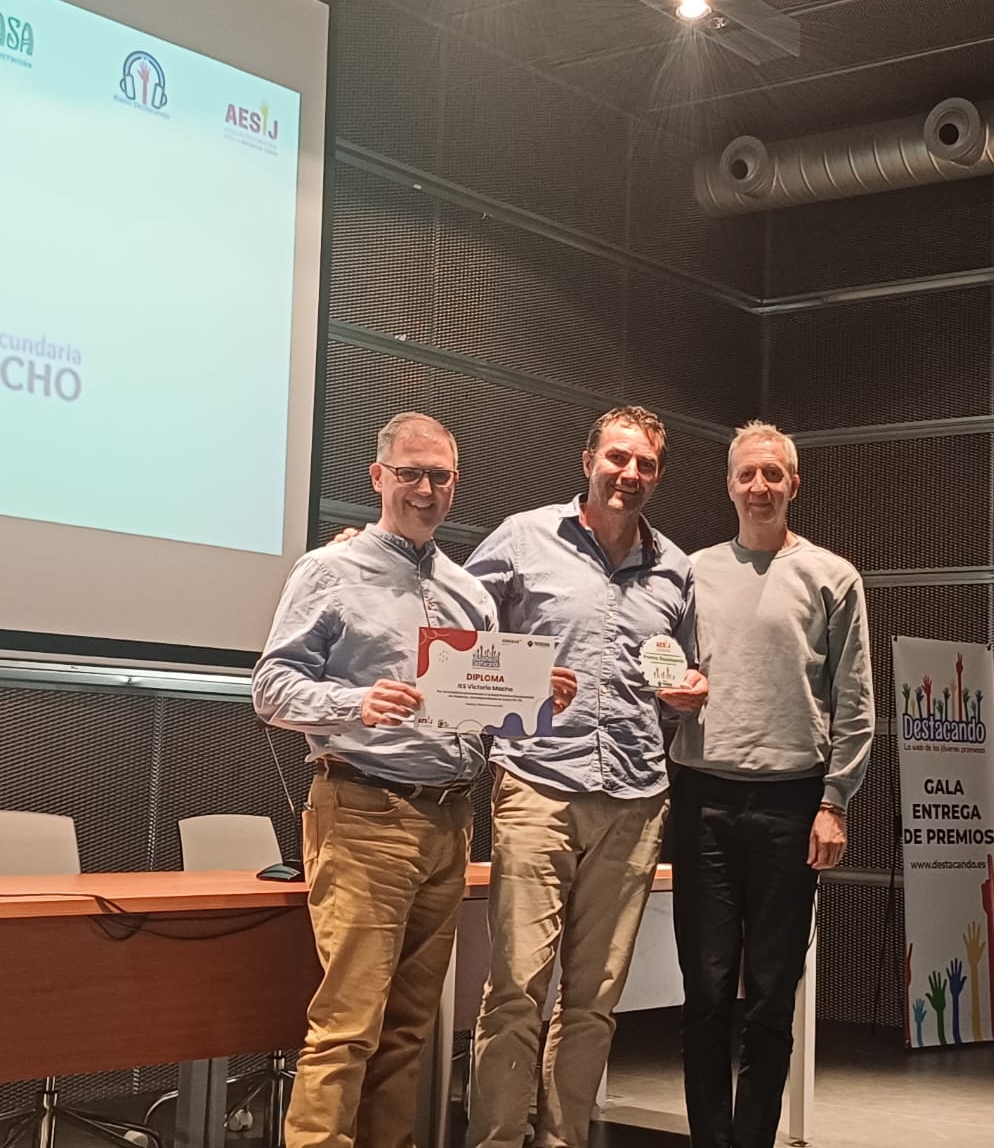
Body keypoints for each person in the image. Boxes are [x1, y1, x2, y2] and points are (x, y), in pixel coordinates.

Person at [254, 411, 575, 1148]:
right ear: (378, 477)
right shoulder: (329, 571)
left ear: (455, 484)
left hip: (449, 822)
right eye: (410, 474)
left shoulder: (469, 592)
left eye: (440, 476)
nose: (425, 489)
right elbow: (270, 688)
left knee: (408, 1032)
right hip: (364, 810)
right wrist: (354, 702)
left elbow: (476, 711)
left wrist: (533, 699)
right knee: (348, 1027)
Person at [464, 405, 707, 1148]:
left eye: (645, 465)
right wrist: (521, 679)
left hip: (636, 798)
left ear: (658, 475)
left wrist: (691, 689)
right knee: (516, 989)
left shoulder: (676, 568)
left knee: (596, 1000)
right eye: (617, 458)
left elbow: (686, 670)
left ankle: (562, 1139)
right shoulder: (523, 537)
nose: (629, 474)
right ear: (588, 460)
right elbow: (454, 639)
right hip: (536, 783)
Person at [666, 421, 875, 1148]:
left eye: (773, 475)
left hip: (793, 805)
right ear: (729, 485)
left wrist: (834, 802)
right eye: (747, 474)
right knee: (705, 992)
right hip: (702, 800)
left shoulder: (833, 576)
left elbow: (855, 701)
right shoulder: (689, 573)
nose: (760, 487)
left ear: (794, 485)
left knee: (771, 996)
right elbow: (661, 671)